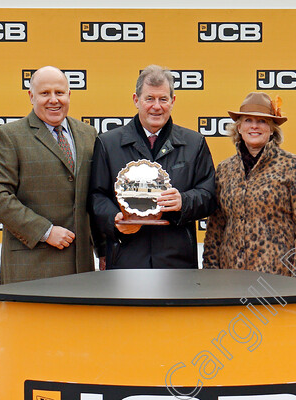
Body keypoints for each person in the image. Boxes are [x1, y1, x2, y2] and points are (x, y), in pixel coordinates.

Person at [89, 64, 216, 269]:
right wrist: (115, 219)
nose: (156, 106)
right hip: (126, 259)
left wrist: (183, 201)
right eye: (149, 98)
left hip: (177, 262)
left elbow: (209, 195)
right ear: (136, 100)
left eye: (163, 99)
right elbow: (96, 196)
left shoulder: (194, 143)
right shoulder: (108, 144)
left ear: (172, 101)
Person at [0, 66, 97, 283]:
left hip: (82, 270)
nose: (54, 100)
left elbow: (95, 195)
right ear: (31, 96)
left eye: (59, 93)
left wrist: (103, 251)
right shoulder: (7, 137)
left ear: (69, 95)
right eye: (45, 93)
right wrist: (45, 231)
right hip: (31, 268)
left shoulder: (88, 134)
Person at [202, 92, 296, 278]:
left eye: (262, 121)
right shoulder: (224, 169)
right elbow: (216, 228)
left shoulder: (294, 166)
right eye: (248, 120)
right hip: (231, 277)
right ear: (239, 128)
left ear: (272, 129)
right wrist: (211, 275)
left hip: (277, 278)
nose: (254, 126)